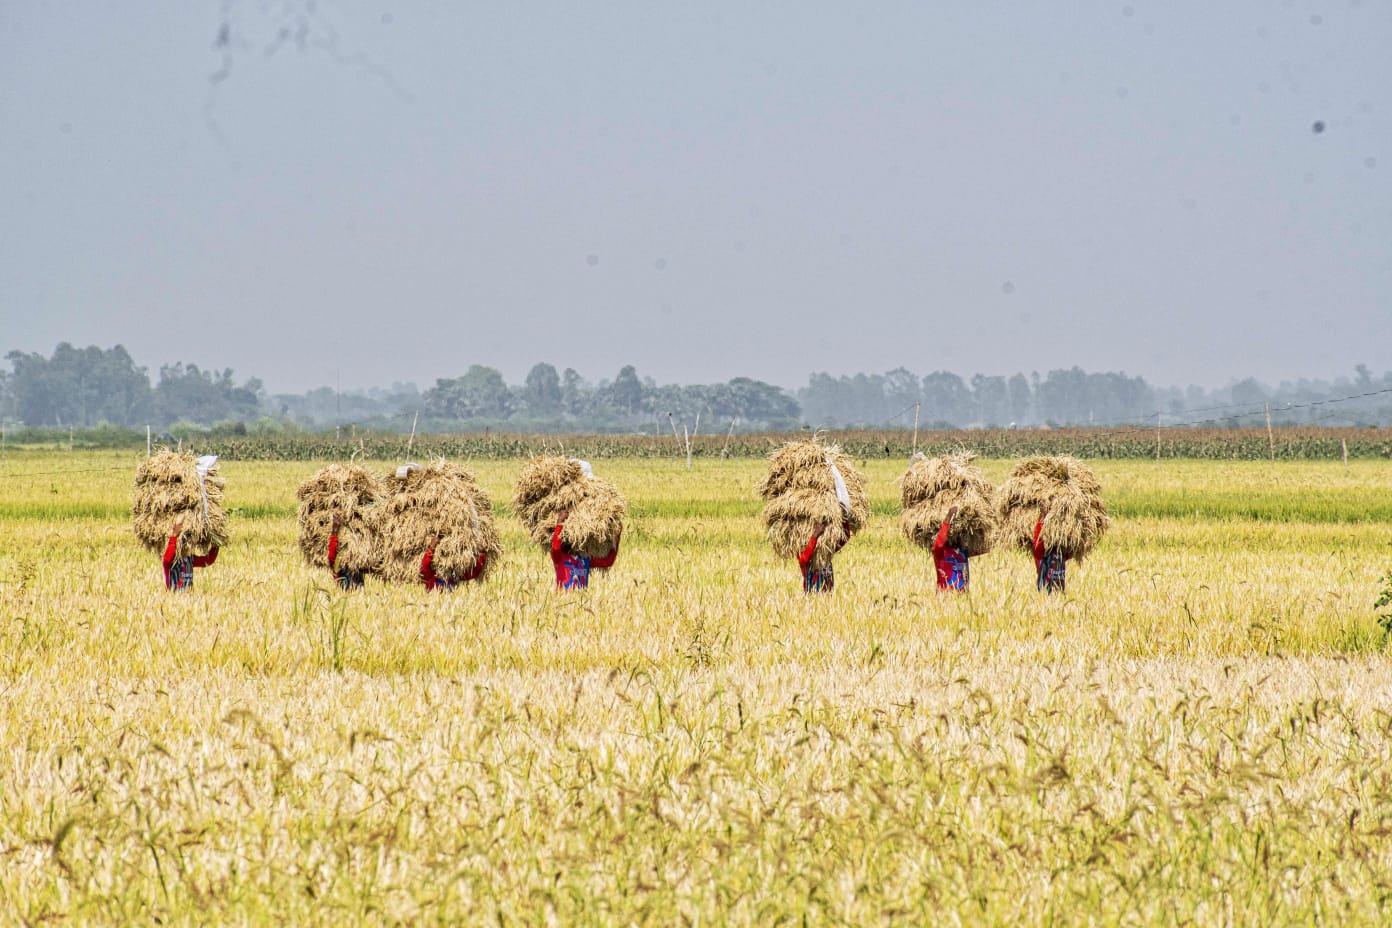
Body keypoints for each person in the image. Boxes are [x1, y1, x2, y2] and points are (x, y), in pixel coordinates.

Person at [551, 509, 620, 590]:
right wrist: (560, 523)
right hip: (562, 599)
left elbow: (608, 562)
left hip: (581, 600)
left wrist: (617, 537)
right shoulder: (560, 558)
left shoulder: (585, 560)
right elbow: (555, 547)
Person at [161, 516, 218, 591]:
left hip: (189, 600)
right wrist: (174, 534)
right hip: (174, 600)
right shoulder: (170, 561)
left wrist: (216, 543)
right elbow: (168, 556)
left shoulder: (189, 559)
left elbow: (208, 560)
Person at [797, 517, 851, 594]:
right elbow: (803, 560)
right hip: (812, 599)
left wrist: (844, 518)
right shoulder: (804, 548)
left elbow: (845, 537)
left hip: (827, 600)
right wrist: (814, 536)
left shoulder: (826, 551)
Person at [421, 533, 488, 591]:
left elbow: (473, 573)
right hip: (434, 603)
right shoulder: (433, 572)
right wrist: (432, 548)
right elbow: (424, 570)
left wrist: (482, 553)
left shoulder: (455, 572)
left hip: (452, 603)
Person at [932, 505, 970, 591]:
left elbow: (982, 546)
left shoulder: (962, 551)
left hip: (962, 598)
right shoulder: (940, 551)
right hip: (945, 596)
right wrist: (949, 516)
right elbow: (941, 537)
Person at [1033, 504, 1067, 593]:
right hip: (1044, 555)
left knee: (1058, 584)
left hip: (1056, 553)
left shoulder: (1061, 553)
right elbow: (1038, 542)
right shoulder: (1040, 553)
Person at [327, 513, 365, 591]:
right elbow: (332, 559)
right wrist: (335, 530)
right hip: (346, 588)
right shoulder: (339, 560)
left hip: (356, 591)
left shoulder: (358, 557)